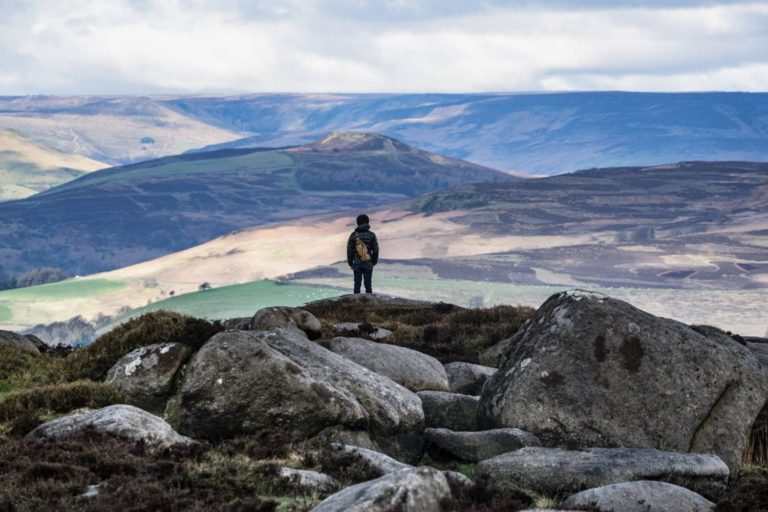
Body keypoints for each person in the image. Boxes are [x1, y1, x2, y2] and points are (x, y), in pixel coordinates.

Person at [347, 214, 379, 294]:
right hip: (368, 262)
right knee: (368, 285)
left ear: (358, 223)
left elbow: (349, 250)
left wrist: (351, 263)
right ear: (367, 222)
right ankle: (370, 304)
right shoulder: (371, 235)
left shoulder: (353, 235)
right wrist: (373, 261)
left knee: (357, 285)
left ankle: (356, 304)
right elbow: (375, 250)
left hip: (357, 263)